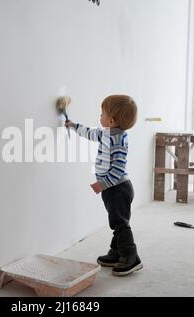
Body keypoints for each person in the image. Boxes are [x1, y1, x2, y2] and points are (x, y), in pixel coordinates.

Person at [65, 95, 142, 276]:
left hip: (118, 189)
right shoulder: (106, 133)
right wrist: (74, 126)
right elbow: (91, 133)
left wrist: (102, 184)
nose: (99, 117)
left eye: (102, 114)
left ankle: (131, 257)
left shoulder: (119, 141)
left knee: (120, 224)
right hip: (112, 189)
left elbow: (118, 168)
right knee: (116, 221)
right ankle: (117, 252)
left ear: (112, 120)